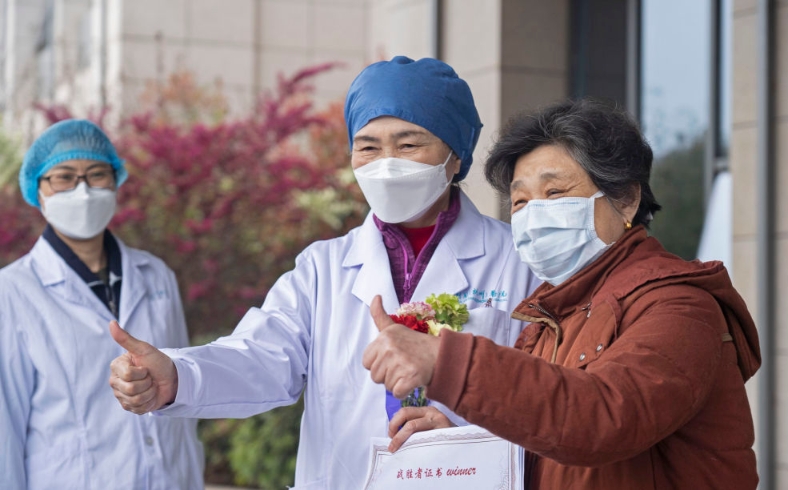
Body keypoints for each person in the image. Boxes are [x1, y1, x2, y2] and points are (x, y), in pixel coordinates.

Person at [108, 56, 540, 489]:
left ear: (455, 155)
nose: (386, 163)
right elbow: (259, 357)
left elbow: (546, 399)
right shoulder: (323, 268)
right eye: (368, 147)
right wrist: (176, 376)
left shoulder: (517, 261)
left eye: (409, 145)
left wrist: (465, 443)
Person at [363, 99, 761, 490]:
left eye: (555, 193)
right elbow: (550, 440)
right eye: (520, 201)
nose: (533, 215)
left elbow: (603, 419)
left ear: (626, 200)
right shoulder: (549, 321)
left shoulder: (679, 307)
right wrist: (466, 445)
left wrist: (446, 361)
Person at [0, 120, 204, 489]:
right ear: (37, 189)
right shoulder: (12, 293)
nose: (82, 191)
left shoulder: (156, 276)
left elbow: (181, 399)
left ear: (115, 181)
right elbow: (5, 430)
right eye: (63, 177)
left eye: (96, 174)